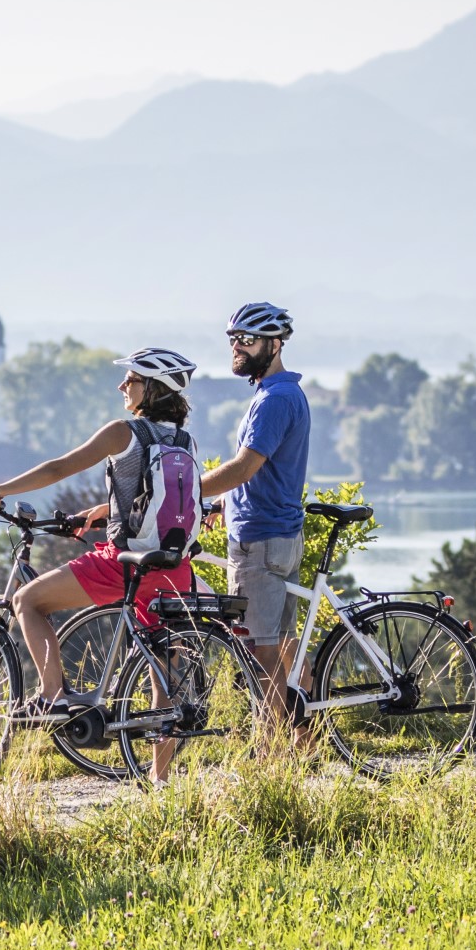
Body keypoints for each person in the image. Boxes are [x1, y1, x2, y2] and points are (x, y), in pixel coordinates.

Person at [0, 347, 201, 723]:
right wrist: (105, 511)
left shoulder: (123, 432)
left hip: (122, 564)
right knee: (165, 685)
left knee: (27, 601)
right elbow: (163, 497)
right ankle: (159, 779)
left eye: (133, 379)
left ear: (154, 388)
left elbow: (59, 468)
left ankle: (51, 697)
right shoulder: (185, 442)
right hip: (173, 567)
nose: (122, 384)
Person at [199, 302, 312, 723]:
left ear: (275, 344)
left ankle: (271, 754)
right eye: (234, 340)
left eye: (248, 340)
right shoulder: (279, 393)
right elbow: (263, 471)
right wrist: (222, 500)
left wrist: (183, 491)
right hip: (277, 534)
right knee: (284, 645)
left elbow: (246, 466)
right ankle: (304, 741)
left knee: (258, 648)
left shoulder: (274, 399)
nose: (238, 348)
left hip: (260, 541)